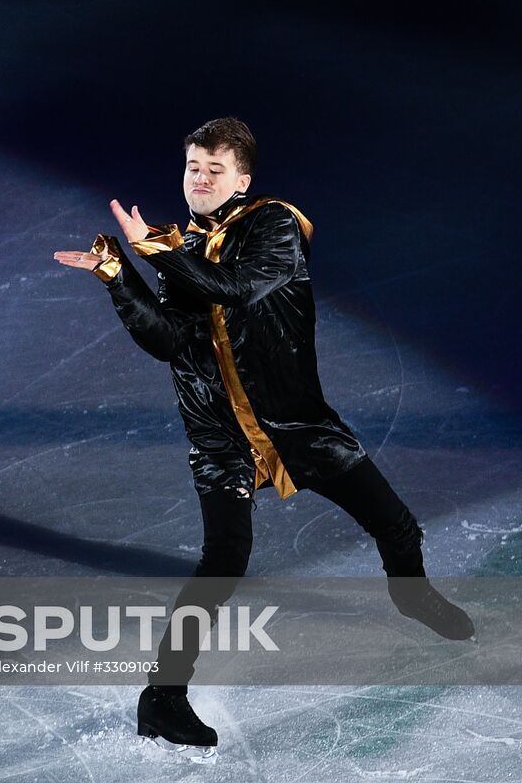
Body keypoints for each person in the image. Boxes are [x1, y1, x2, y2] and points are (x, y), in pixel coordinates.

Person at [53, 116, 475, 763]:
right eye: (193, 167)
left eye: (213, 169)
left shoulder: (276, 225)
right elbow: (167, 338)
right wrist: (117, 273)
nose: (199, 179)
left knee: (396, 526)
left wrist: (160, 254)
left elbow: (239, 288)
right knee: (223, 559)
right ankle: (162, 696)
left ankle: (410, 591)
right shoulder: (180, 247)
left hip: (297, 423)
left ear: (242, 178)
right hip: (220, 434)